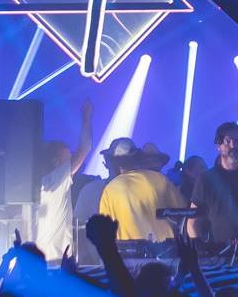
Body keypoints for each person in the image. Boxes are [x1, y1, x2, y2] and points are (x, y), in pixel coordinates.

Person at [97, 137, 184, 242]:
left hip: (126, 251)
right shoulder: (161, 180)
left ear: (114, 163)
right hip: (164, 249)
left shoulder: (110, 189)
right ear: (138, 159)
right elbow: (182, 212)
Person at [38, 99, 95, 259]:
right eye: (68, 158)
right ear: (56, 161)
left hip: (41, 257)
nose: (72, 162)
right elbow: (84, 149)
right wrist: (86, 119)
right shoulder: (56, 180)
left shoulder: (38, 184)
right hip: (57, 259)